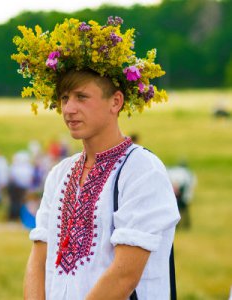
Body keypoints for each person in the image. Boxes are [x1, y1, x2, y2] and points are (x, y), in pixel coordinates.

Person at [12, 16, 180, 299]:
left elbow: (125, 274)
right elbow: (38, 260)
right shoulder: (60, 173)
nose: (69, 109)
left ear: (116, 101)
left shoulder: (142, 169)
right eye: (64, 98)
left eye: (81, 97)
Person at [167, 160, 196, 230]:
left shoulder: (175, 172)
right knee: (184, 210)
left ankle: (179, 225)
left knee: (178, 210)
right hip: (182, 194)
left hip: (178, 194)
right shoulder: (188, 173)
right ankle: (185, 225)